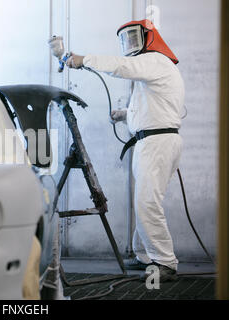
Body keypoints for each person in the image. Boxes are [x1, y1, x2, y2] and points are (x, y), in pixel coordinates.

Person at [66, 19, 185, 282]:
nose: (130, 45)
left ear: (149, 37)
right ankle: (144, 255)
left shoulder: (155, 60)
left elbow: (121, 66)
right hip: (154, 140)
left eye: (134, 38)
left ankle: (165, 261)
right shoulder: (154, 67)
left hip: (156, 143)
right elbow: (153, 106)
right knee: (146, 200)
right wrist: (124, 114)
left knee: (146, 202)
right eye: (126, 40)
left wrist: (83, 59)